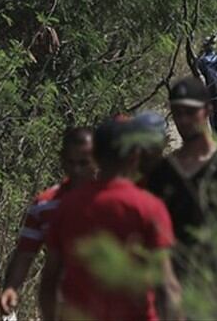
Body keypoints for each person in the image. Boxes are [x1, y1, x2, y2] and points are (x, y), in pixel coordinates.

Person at [40, 118, 182, 321]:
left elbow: (49, 281)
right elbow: (167, 284)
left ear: (96, 157)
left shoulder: (67, 206)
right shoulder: (149, 207)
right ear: (134, 156)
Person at [146, 76, 217, 311]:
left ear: (207, 110)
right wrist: (168, 284)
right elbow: (155, 237)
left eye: (190, 112)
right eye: (178, 113)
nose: (184, 120)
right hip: (178, 282)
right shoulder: (163, 173)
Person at [0, 127, 95, 316]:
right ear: (62, 160)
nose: (76, 170)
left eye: (84, 163)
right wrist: (11, 287)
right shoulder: (45, 205)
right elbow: (25, 252)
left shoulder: (115, 202)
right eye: (71, 162)